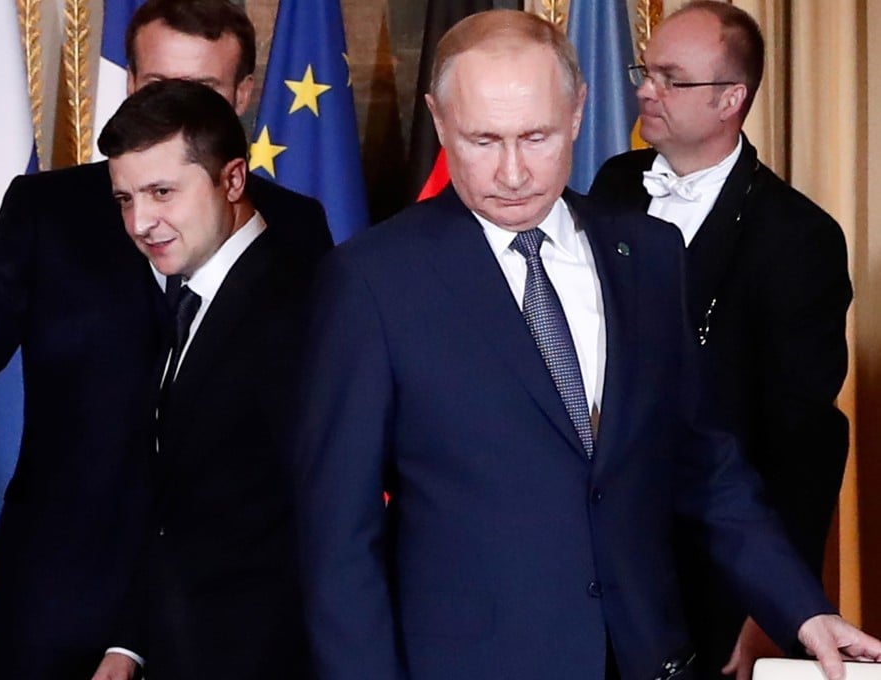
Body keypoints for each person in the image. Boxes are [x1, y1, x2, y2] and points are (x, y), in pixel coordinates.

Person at [291, 10, 878, 680]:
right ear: (438, 118)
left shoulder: (649, 254)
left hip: (650, 659)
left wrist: (803, 610)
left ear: (578, 111)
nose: (512, 172)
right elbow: (338, 539)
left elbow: (704, 465)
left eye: (536, 136)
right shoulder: (372, 281)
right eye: (483, 140)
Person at [0, 0, 329, 677]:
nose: (171, 110)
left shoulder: (293, 226)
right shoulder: (47, 210)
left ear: (244, 98)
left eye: (199, 94)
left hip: (221, 615)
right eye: (155, 88)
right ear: (130, 83)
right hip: (61, 599)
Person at [589, 3, 851, 677]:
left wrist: (766, 610)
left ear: (732, 98)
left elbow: (802, 450)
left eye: (672, 79)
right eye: (646, 72)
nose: (646, 91)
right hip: (593, 560)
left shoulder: (800, 239)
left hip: (707, 569)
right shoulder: (614, 183)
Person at [88, 79, 320, 680]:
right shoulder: (194, 296)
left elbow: (314, 520)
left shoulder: (298, 305)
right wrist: (132, 643)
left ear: (234, 180)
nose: (141, 222)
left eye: (162, 192)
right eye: (125, 200)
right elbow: (182, 506)